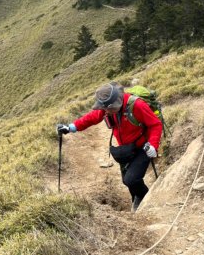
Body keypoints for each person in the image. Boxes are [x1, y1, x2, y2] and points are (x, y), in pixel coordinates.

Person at [57, 82, 162, 212]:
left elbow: (155, 125)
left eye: (108, 109)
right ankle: (137, 199)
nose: (105, 112)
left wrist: (153, 145)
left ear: (116, 102)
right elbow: (92, 118)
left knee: (131, 179)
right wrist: (71, 127)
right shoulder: (107, 108)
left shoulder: (138, 105)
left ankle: (145, 198)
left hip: (143, 147)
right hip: (126, 149)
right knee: (126, 180)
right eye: (105, 109)